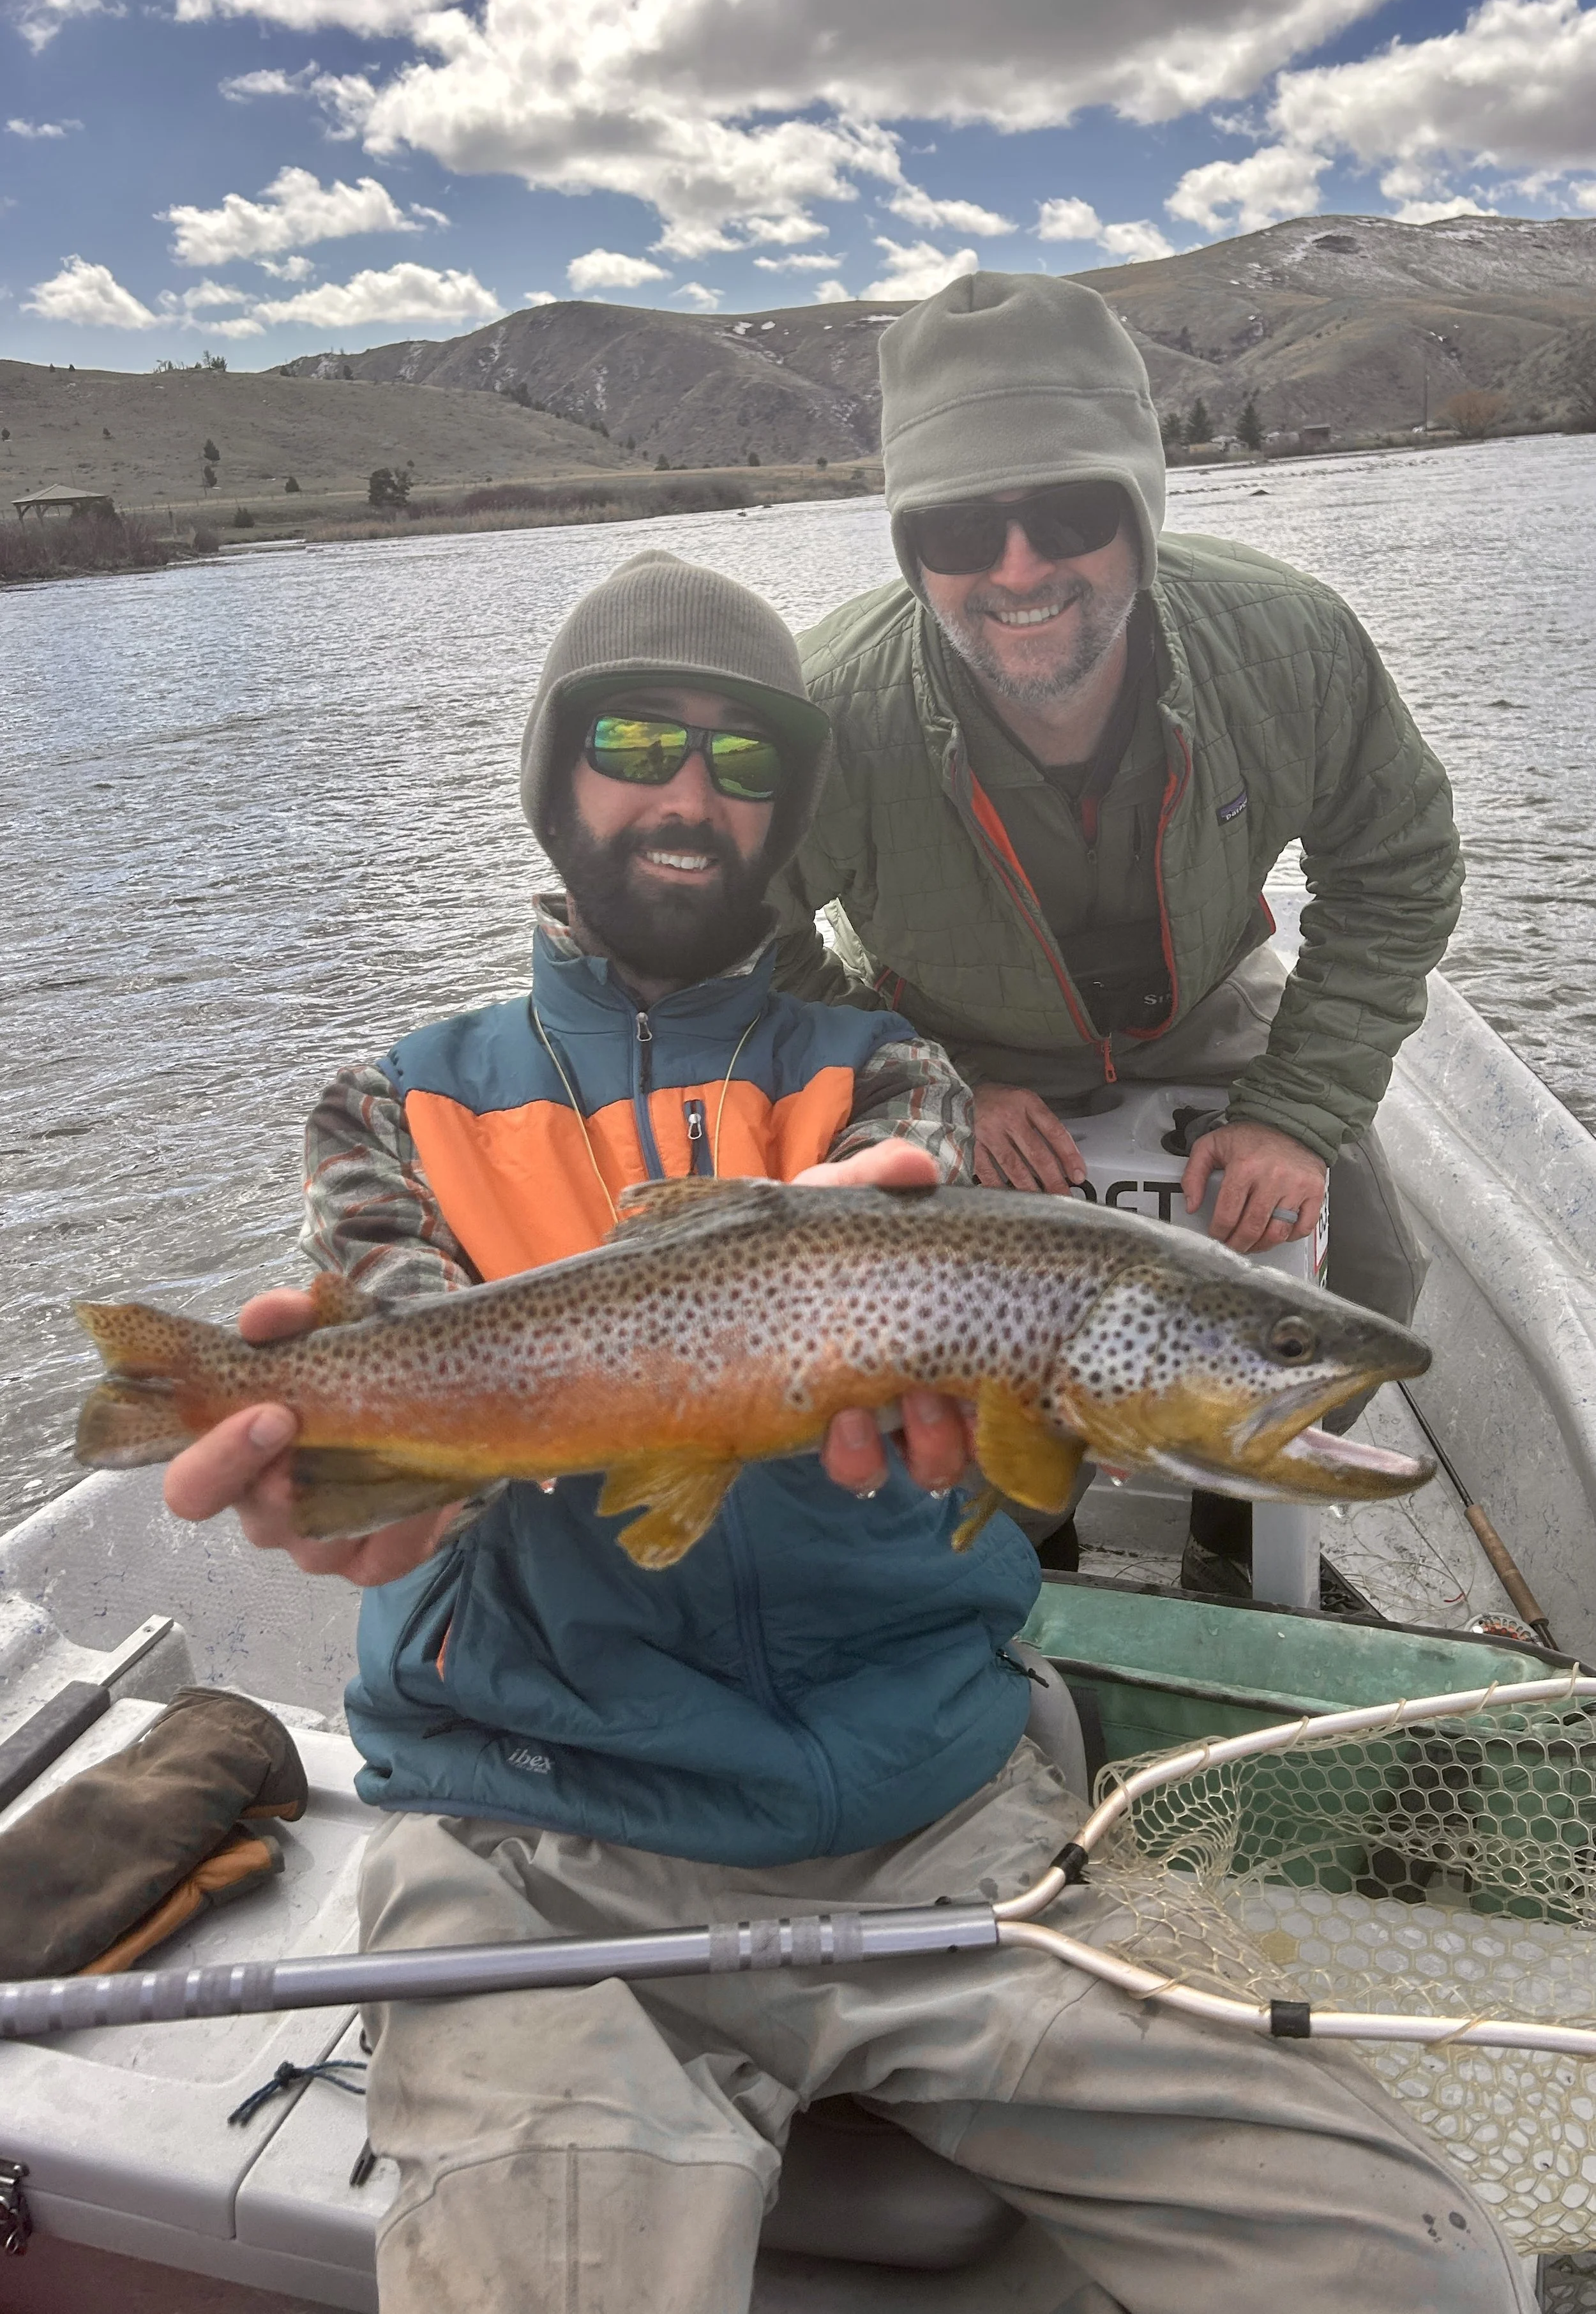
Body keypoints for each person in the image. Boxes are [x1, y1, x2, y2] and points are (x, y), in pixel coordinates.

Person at [163, 552, 1521, 2314]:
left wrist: (973, 1383)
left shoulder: (889, 1077)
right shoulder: (392, 1110)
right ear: (554, 780)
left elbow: (989, 1409)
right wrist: (370, 1490)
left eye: (743, 761)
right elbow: (419, 1390)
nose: (686, 792)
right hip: (534, 1856)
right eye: (633, 743)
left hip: (931, 1823)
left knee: (1424, 2277)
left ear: (787, 812)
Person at [774, 271, 1463, 1593]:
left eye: (1069, 513)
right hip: (939, 1034)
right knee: (946, 1327)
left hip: (1204, 1003)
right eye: (959, 528)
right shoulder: (824, 712)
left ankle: (1233, 1531)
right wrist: (929, 1087)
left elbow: (1399, 868)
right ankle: (1026, 1548)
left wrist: (1296, 1111)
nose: (1018, 569)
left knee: (1370, 1261)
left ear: (1142, 512)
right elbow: (750, 945)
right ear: (910, 548)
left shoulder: (1293, 642)